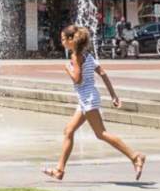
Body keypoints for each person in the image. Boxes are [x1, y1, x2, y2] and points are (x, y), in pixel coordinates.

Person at [43, 25, 146, 181]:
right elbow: (103, 73)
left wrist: (67, 69)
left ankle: (135, 156)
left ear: (71, 40)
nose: (62, 41)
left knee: (101, 133)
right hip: (87, 99)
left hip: (88, 99)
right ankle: (59, 170)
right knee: (69, 131)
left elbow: (78, 79)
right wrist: (113, 96)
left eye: (63, 39)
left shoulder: (76, 56)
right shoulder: (86, 54)